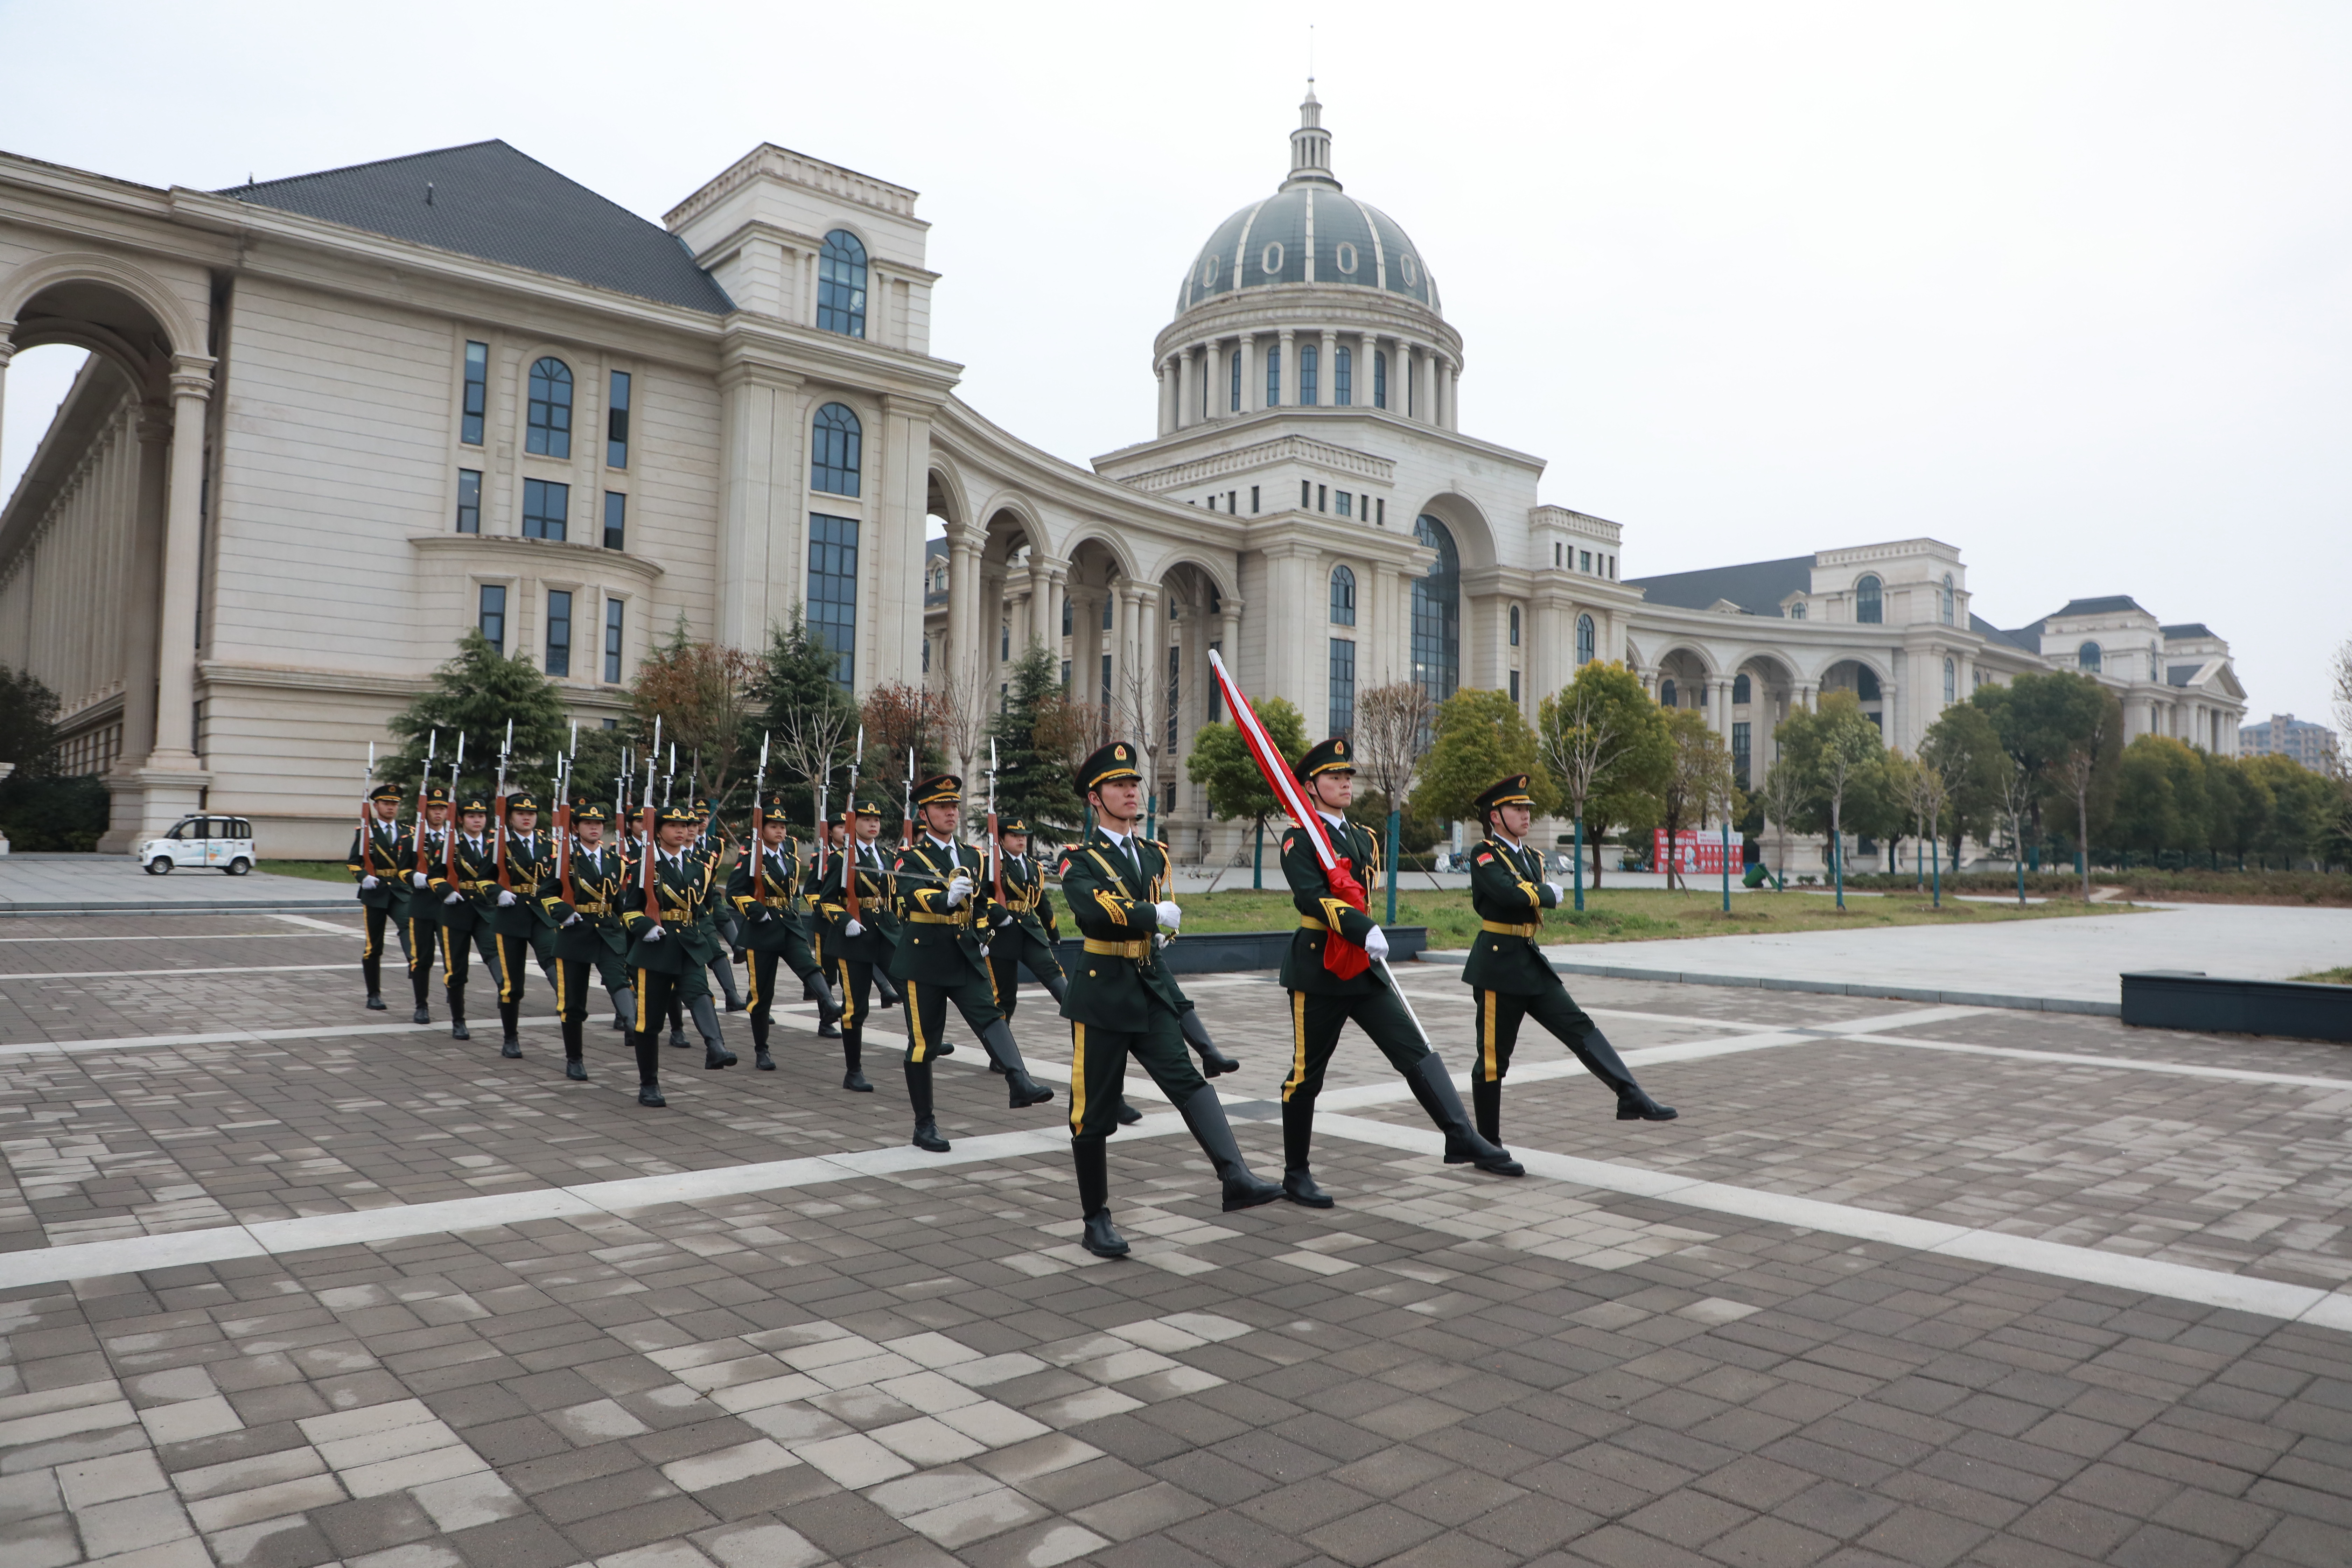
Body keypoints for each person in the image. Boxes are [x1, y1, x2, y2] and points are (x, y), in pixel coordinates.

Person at [1057, 742, 1282, 1257]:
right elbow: (1095, 909)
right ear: (1095, 798)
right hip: (1102, 996)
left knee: (1188, 1082)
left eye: (1133, 784)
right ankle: (1096, 1219)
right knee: (1091, 1114)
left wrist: (1164, 932)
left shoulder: (1153, 854)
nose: (1130, 792)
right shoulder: (1079, 859)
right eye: (1118, 785)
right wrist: (1150, 917)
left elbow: (1165, 918)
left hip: (1146, 985)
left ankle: (1236, 1176)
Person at [1278, 736, 1524, 1205]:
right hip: (1319, 968)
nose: (1345, 784)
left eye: (1348, 776)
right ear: (1310, 786)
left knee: (1413, 1048)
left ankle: (1461, 1135)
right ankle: (1296, 1173)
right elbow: (1313, 897)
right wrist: (1361, 927)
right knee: (1307, 1075)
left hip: (1363, 966)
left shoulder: (1362, 837)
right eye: (1334, 777)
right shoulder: (1299, 837)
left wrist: (1364, 931)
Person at [1464, 775, 1677, 1136]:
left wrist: (1536, 890)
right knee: (1493, 1060)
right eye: (1517, 809)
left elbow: (1521, 891)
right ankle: (1488, 1145)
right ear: (1496, 816)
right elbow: (1508, 893)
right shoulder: (1484, 854)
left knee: (1578, 1026)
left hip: (1529, 959)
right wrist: (1545, 892)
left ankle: (1631, 1094)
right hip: (1498, 966)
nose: (1526, 815)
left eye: (1527, 808)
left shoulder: (1531, 857)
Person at [891, 774, 1054, 1153]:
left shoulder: (972, 856)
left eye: (954, 806)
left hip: (964, 952)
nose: (951, 812)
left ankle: (1019, 1081)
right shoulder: (909, 857)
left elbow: (980, 903)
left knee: (991, 1015)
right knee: (924, 1044)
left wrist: (987, 931)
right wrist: (944, 899)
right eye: (942, 807)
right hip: (924, 958)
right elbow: (909, 895)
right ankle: (924, 1125)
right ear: (924, 814)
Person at [986, 820, 1137, 1127]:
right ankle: (1001, 1056)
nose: (1021, 841)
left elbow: (1040, 900)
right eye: (1014, 836)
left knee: (1067, 994)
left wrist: (1053, 930)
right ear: (1001, 839)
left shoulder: (1032, 866)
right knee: (1005, 999)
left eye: (1024, 836)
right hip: (1000, 937)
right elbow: (982, 896)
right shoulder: (991, 864)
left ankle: (1099, 1077)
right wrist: (995, 913)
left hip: (1030, 935)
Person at [618, 803, 732, 1105]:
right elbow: (629, 911)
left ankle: (716, 1047)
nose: (681, 831)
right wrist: (646, 927)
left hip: (689, 945)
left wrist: (711, 941)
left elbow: (704, 909)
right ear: (658, 832)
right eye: (673, 826)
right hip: (655, 949)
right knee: (650, 1023)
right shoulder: (645, 866)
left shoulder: (699, 866)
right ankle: (649, 1085)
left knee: (700, 993)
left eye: (685, 826)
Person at [728, 792, 844, 1070]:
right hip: (762, 929)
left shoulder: (789, 858)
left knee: (809, 965)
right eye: (773, 826)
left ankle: (829, 1003)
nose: (780, 831)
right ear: (761, 829)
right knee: (762, 995)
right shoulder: (751, 858)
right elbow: (734, 892)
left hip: (789, 924)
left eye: (782, 827)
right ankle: (762, 1050)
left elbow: (792, 893)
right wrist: (755, 910)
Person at [812, 801, 898, 1092]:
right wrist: (845, 920)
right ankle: (854, 1071)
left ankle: (925, 1041)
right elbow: (826, 901)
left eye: (877, 820)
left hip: (887, 933)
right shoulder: (841, 858)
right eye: (866, 820)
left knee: (912, 989)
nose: (873, 824)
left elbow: (895, 895)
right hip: (855, 937)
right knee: (856, 1007)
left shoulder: (887, 855)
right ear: (853, 823)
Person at [546, 798, 635, 1078]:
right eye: (588, 823)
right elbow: (546, 894)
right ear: (576, 828)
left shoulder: (615, 862)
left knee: (620, 979)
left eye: (598, 824)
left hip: (608, 931)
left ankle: (633, 1025)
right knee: (574, 1002)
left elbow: (619, 902)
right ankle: (575, 1059)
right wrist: (564, 913)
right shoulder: (565, 859)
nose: (594, 828)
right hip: (576, 933)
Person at [474, 790, 555, 1058]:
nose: (526, 818)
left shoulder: (548, 844)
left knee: (554, 963)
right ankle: (510, 1038)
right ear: (510, 817)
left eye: (531, 814)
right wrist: (498, 893)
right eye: (521, 814)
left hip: (541, 914)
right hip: (511, 916)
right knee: (513, 983)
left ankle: (569, 1012)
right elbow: (483, 879)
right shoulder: (499, 844)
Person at [348, 782, 429, 1019]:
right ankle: (373, 994)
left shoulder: (408, 831)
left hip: (401, 890)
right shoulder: (366, 831)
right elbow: (354, 862)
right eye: (386, 803)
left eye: (394, 804)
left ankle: (413, 962)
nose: (391, 807)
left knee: (409, 927)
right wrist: (364, 878)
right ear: (376, 806)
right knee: (374, 946)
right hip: (375, 891)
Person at [429, 794, 496, 1042]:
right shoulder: (449, 844)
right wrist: (446, 892)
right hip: (457, 911)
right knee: (457, 969)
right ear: (461, 820)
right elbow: (434, 875)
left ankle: (506, 994)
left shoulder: (494, 845)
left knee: (496, 956)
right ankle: (458, 1020)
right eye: (471, 816)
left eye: (481, 816)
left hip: (485, 911)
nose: (477, 820)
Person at [401, 784, 454, 1024]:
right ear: (425, 811)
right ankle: (421, 1005)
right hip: (422, 905)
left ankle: (454, 995)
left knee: (452, 956)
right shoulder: (413, 840)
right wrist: (414, 877)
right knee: (422, 958)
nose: (438, 813)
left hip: (447, 905)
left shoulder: (455, 840)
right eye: (433, 808)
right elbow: (402, 870)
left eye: (442, 808)